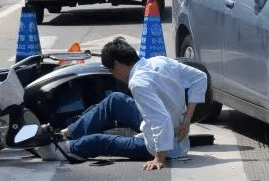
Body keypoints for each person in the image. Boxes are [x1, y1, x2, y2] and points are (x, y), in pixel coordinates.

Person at [54, 37, 209, 170]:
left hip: (161, 145)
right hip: (169, 126)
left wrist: (159, 158)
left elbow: (161, 119)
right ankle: (69, 132)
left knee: (99, 141)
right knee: (114, 100)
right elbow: (200, 77)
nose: (113, 75)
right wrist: (187, 119)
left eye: (111, 70)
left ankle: (61, 148)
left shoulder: (138, 83)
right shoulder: (160, 61)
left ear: (119, 65)